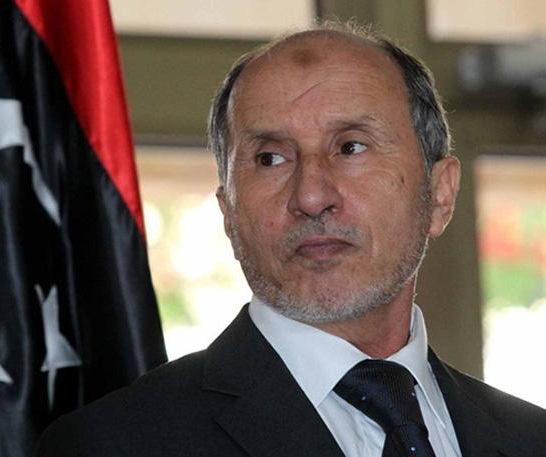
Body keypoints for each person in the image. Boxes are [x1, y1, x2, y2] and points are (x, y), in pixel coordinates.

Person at [36, 22, 546, 457]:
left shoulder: (530, 439)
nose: (311, 195)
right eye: (270, 158)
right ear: (229, 213)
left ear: (440, 195)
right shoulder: (116, 444)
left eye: (351, 147)